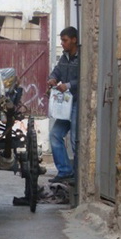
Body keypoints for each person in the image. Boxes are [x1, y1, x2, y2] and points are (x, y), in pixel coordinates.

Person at [47, 26, 79, 184]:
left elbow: (85, 77)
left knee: (75, 139)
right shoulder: (64, 57)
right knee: (55, 135)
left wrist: (68, 85)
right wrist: (52, 78)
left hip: (78, 103)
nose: (63, 43)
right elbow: (56, 71)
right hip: (65, 105)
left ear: (74, 40)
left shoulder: (82, 58)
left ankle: (79, 175)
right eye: (61, 40)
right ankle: (65, 171)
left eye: (65, 40)